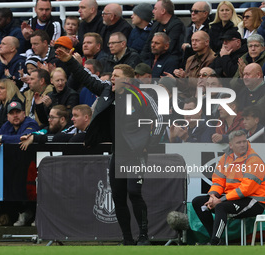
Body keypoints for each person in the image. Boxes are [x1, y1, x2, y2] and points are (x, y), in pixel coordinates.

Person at [56, 47, 159, 245]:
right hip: (117, 153)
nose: (112, 79)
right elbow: (86, 78)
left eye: (117, 76)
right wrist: (70, 61)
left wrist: (147, 145)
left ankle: (144, 237)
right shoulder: (106, 91)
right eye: (112, 75)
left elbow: (157, 122)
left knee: (134, 192)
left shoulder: (142, 97)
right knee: (118, 197)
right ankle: (128, 240)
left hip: (136, 154)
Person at [192, 130, 265, 245]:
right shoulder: (226, 158)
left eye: (244, 141)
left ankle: (214, 242)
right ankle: (216, 240)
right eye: (238, 142)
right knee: (198, 202)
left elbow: (245, 190)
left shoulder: (254, 160)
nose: (242, 144)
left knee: (221, 207)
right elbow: (218, 181)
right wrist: (212, 196)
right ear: (230, 145)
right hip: (233, 198)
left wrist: (220, 200)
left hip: (255, 201)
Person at [174, 31, 216, 97]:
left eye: (197, 40)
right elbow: (186, 83)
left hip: (202, 96)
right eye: (192, 40)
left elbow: (204, 83)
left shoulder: (213, 59)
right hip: (188, 94)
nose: (194, 43)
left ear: (206, 42)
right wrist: (177, 78)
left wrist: (185, 77)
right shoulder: (190, 59)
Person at [182, 1, 211, 67]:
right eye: (191, 11)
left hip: (204, 64)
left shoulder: (211, 29)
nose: (192, 13)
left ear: (205, 13)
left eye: (196, 11)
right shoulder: (188, 29)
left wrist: (189, 48)